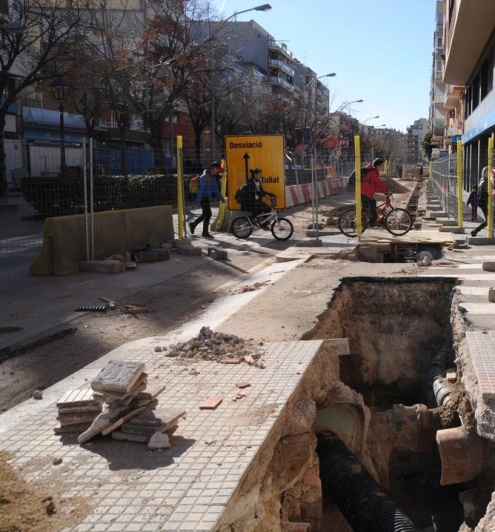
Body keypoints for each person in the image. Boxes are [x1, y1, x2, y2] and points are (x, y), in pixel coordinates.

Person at [189, 162, 225, 238]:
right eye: (216, 169)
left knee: (205, 214)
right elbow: (200, 190)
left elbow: (216, 190)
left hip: (206, 198)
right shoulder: (204, 177)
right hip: (203, 198)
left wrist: (221, 198)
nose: (218, 170)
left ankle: (193, 224)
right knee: (208, 214)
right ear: (212, 168)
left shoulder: (213, 177)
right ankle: (204, 232)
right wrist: (197, 202)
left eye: (218, 169)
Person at [361, 158, 389, 225]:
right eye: (381, 166)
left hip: (365, 192)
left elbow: (378, 185)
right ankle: (369, 221)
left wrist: (385, 191)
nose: (382, 167)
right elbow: (379, 184)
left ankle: (369, 220)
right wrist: (386, 191)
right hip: (365, 192)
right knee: (371, 205)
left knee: (370, 205)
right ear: (377, 166)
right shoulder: (373, 173)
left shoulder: (373, 172)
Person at [471, 167, 495, 237]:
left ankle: (475, 231)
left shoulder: (485, 181)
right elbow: (488, 193)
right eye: (488, 173)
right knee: (489, 220)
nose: (490, 175)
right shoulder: (484, 182)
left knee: (490, 220)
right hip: (484, 203)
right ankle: (475, 231)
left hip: (485, 203)